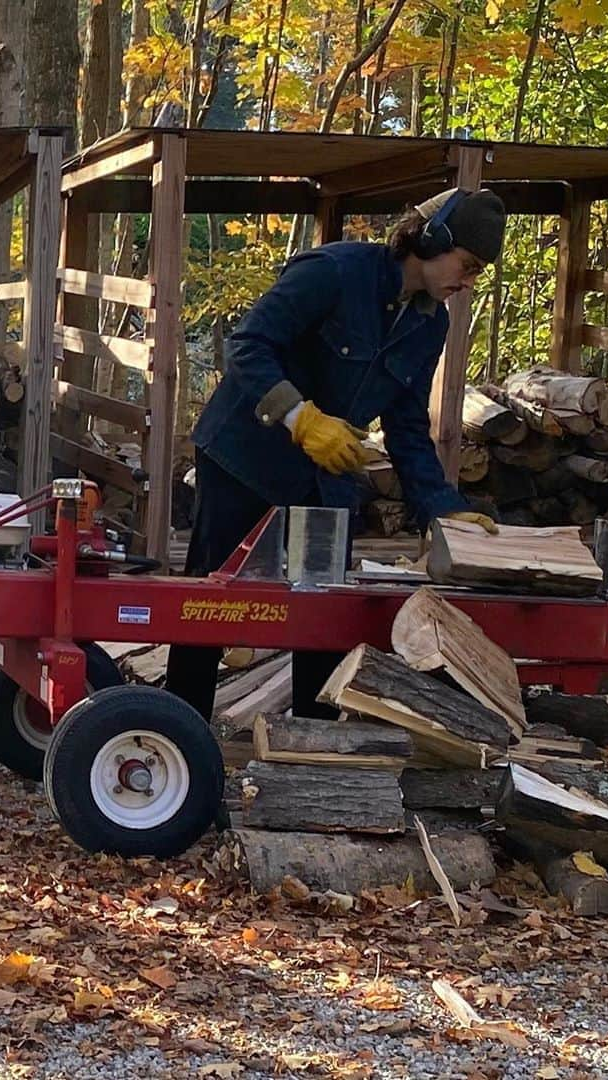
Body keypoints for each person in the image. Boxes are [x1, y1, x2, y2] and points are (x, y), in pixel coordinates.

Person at [163, 187, 507, 723]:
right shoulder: (335, 271)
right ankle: (178, 732)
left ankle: (312, 747)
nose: (466, 283)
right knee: (212, 602)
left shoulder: (429, 324)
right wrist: (300, 416)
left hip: (326, 478)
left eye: (477, 272)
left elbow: (408, 425)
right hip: (242, 457)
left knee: (322, 614)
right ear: (430, 239)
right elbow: (247, 346)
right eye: (466, 265)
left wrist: (440, 507)